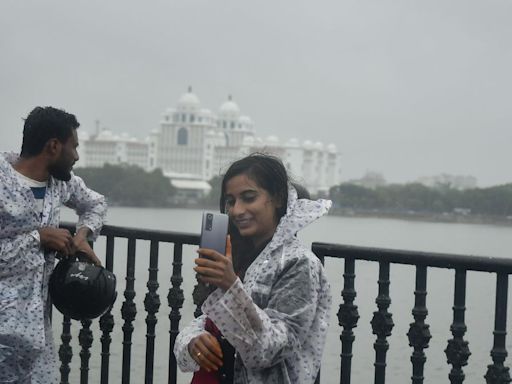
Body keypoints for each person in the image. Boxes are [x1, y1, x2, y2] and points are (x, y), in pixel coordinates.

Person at [174, 153, 332, 383]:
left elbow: (271, 349)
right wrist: (193, 341)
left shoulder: (299, 264)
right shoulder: (241, 256)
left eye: (248, 198)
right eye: (231, 201)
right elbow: (207, 320)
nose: (237, 211)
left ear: (278, 198)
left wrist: (230, 287)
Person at [0, 106, 107, 383]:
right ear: (54, 146)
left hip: (37, 339)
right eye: (74, 147)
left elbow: (95, 203)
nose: (77, 156)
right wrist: (40, 237)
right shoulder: (2, 182)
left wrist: (83, 235)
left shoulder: (59, 185)